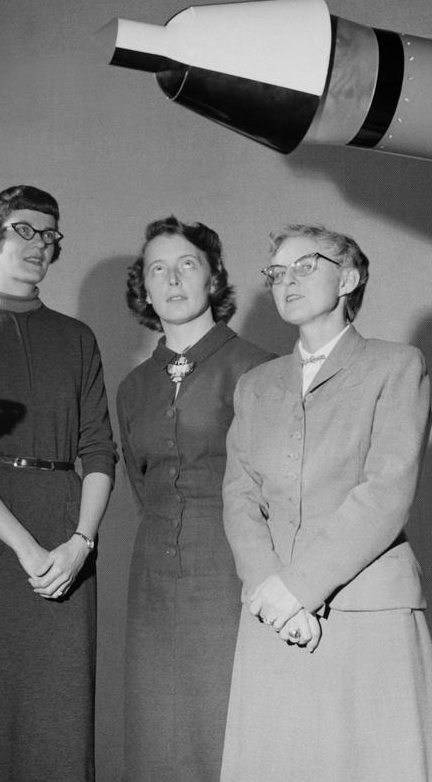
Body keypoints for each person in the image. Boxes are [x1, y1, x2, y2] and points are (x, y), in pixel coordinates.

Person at [220, 224, 432, 781]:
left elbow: (386, 491)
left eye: (305, 266)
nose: (287, 281)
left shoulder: (396, 365)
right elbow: (239, 496)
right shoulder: (255, 385)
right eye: (277, 272)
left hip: (366, 610)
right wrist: (271, 591)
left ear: (347, 279)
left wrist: (300, 588)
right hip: (274, 615)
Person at [0, 185, 117, 782]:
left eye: (50, 234)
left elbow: (98, 448)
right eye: (25, 230)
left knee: (56, 722)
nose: (40, 244)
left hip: (66, 548)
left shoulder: (78, 339)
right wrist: (26, 548)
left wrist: (80, 543)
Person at [116, 217, 271, 782]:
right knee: (157, 733)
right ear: (144, 287)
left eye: (187, 264)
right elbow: (141, 483)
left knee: (226, 724)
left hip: (233, 573)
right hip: (154, 577)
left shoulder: (257, 368)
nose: (173, 279)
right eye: (157, 269)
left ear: (214, 278)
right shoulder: (134, 387)